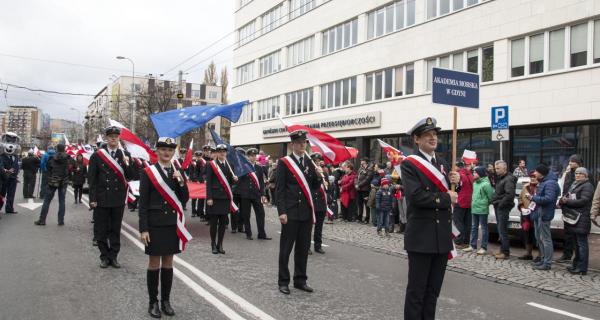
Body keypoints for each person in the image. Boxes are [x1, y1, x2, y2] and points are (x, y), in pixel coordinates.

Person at [401, 117, 460, 320]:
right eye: (427, 135)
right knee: (417, 292)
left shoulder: (443, 163)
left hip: (441, 237)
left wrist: (457, 183)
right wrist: (446, 197)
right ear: (417, 139)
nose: (433, 138)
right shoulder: (409, 165)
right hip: (421, 238)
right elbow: (416, 197)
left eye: (435, 134)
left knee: (433, 292)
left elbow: (452, 193)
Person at [139, 137, 190, 318]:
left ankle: (166, 301)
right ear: (157, 152)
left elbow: (184, 198)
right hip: (154, 224)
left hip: (171, 225)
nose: (167, 153)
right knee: (154, 263)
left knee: (168, 262)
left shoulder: (178, 171)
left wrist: (181, 182)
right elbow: (143, 203)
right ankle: (153, 302)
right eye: (163, 149)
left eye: (170, 150)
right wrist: (143, 228)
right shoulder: (148, 172)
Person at [276, 130, 323, 295]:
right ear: (292, 145)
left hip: (306, 212)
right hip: (290, 212)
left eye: (304, 143)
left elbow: (314, 188)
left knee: (303, 249)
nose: (302, 145)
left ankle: (300, 280)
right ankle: (283, 281)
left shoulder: (310, 162)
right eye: (299, 143)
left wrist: (318, 176)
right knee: (286, 249)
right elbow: (279, 189)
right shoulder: (284, 162)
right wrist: (282, 211)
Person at [88, 126, 135, 268]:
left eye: (116, 136)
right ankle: (104, 256)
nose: (113, 138)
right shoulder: (97, 155)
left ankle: (113, 256)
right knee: (101, 230)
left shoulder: (125, 154)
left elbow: (131, 176)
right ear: (106, 138)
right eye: (110, 136)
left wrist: (127, 164)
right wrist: (92, 199)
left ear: (119, 138)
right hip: (102, 198)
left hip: (117, 198)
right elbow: (92, 179)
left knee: (115, 229)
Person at [560, 167, 594, 275]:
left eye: (580, 173)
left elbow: (583, 201)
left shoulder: (587, 186)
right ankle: (576, 265)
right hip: (574, 218)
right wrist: (563, 199)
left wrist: (567, 201)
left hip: (582, 218)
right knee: (576, 244)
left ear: (585, 175)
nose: (578, 175)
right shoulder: (575, 184)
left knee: (581, 244)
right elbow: (569, 196)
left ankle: (582, 268)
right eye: (576, 173)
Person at [206, 144, 238, 254]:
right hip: (215, 198)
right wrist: (209, 197)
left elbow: (230, 183)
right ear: (217, 153)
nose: (222, 153)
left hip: (225, 198)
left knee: (223, 223)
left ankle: (220, 244)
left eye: (224, 151)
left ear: (226, 153)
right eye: (220, 151)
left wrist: (234, 179)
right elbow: (208, 182)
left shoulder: (230, 166)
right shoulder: (212, 165)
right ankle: (213, 244)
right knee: (214, 223)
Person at [528, 163, 560, 271]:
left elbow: (548, 199)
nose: (534, 173)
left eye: (536, 172)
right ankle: (543, 259)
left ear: (541, 173)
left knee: (546, 239)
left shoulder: (550, 183)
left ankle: (547, 263)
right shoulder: (544, 181)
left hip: (545, 214)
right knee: (539, 238)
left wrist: (533, 198)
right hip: (539, 213)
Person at [238, 148, 271, 240]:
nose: (253, 157)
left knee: (261, 214)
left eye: (254, 155)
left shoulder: (259, 168)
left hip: (256, 194)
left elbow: (261, 182)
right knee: (246, 214)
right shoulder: (243, 167)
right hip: (246, 194)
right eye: (251, 156)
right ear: (248, 157)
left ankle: (261, 234)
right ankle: (248, 233)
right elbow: (239, 181)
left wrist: (263, 194)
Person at [34, 144, 70, 226]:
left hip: (53, 180)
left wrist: (51, 175)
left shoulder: (52, 157)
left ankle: (42, 220)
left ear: (56, 149)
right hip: (63, 181)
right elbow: (72, 167)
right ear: (64, 149)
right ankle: (61, 221)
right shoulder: (68, 158)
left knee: (47, 200)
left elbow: (48, 168)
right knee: (62, 201)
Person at [557, 154, 583, 263]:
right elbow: (564, 188)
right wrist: (562, 201)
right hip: (566, 206)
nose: (570, 163)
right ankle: (567, 254)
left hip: (577, 208)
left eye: (572, 161)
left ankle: (578, 258)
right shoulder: (568, 174)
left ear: (578, 163)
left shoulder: (583, 174)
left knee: (577, 236)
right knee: (567, 233)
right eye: (569, 161)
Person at [463, 166, 494, 255]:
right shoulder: (475, 183)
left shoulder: (486, 184)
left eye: (475, 173)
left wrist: (484, 204)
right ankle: (472, 246)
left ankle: (483, 247)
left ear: (480, 174)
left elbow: (490, 197)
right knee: (474, 228)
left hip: (482, 209)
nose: (473, 174)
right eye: (473, 172)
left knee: (484, 228)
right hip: (474, 208)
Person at [490, 160, 516, 260]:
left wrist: (500, 204)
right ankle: (502, 249)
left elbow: (509, 195)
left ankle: (505, 252)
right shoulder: (501, 178)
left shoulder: (508, 179)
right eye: (495, 168)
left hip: (503, 208)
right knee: (500, 230)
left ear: (504, 168)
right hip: (499, 206)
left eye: (498, 168)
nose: (496, 170)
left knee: (502, 230)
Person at [517, 173, 539, 261]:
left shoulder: (540, 187)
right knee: (527, 234)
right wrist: (522, 207)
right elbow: (520, 198)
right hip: (526, 214)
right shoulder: (525, 186)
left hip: (536, 214)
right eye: (531, 177)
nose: (533, 179)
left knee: (537, 235)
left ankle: (540, 255)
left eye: (534, 177)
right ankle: (528, 253)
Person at [454, 161, 475, 249]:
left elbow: (456, 188)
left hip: (460, 201)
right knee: (467, 223)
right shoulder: (470, 175)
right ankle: (466, 241)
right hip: (469, 201)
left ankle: (459, 241)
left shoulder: (459, 175)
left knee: (458, 222)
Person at [309, 152, 326, 254]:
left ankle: (318, 246)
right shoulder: (309, 173)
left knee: (319, 227)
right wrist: (318, 177)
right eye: (316, 161)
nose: (318, 163)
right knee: (309, 227)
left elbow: (328, 188)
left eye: (319, 161)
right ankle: (306, 246)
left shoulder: (324, 172)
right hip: (312, 202)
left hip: (321, 203)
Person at [0, 146, 20, 214]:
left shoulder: (16, 156)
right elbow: (1, 166)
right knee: (2, 194)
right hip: (4, 178)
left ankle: (9, 209)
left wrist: (16, 174)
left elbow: (16, 166)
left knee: (11, 194)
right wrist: (6, 171)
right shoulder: (2, 156)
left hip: (13, 178)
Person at [355, 158, 374, 224]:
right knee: (359, 204)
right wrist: (356, 184)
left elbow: (367, 179)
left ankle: (367, 218)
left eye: (362, 160)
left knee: (366, 204)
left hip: (365, 189)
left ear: (365, 162)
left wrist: (359, 185)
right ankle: (359, 217)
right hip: (359, 189)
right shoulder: (360, 168)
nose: (361, 161)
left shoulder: (370, 169)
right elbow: (356, 177)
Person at [190, 151, 205, 218]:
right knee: (194, 198)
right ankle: (193, 211)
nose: (198, 157)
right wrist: (195, 180)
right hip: (195, 182)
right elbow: (192, 172)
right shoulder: (192, 162)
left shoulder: (202, 162)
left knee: (201, 198)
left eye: (200, 156)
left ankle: (200, 212)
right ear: (195, 156)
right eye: (197, 156)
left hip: (202, 182)